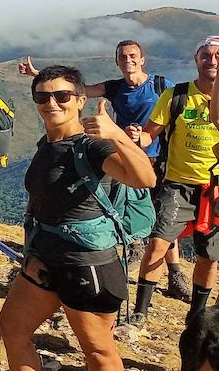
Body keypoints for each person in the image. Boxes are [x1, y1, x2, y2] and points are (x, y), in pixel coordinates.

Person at [0, 65, 154, 371]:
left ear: (81, 100)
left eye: (62, 96)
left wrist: (117, 135)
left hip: (88, 264)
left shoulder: (94, 147)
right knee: (12, 326)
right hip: (45, 259)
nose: (51, 102)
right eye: (42, 96)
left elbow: (145, 179)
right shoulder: (47, 144)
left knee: (97, 349)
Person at [19, 41, 189, 300]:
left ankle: (172, 270)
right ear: (117, 61)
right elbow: (78, 90)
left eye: (132, 56)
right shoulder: (115, 87)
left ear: (143, 59)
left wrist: (120, 135)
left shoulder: (162, 86)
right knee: (135, 215)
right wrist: (38, 76)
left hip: (152, 158)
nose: (127, 60)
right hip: (119, 155)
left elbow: (178, 116)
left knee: (162, 222)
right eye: (122, 56)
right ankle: (128, 250)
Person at [123, 37, 219, 346]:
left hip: (214, 190)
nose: (212, 60)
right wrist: (136, 138)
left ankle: (197, 317)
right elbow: (150, 136)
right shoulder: (176, 95)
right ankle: (139, 314)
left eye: (218, 56)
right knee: (158, 245)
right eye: (206, 55)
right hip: (177, 184)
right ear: (196, 59)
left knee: (208, 257)